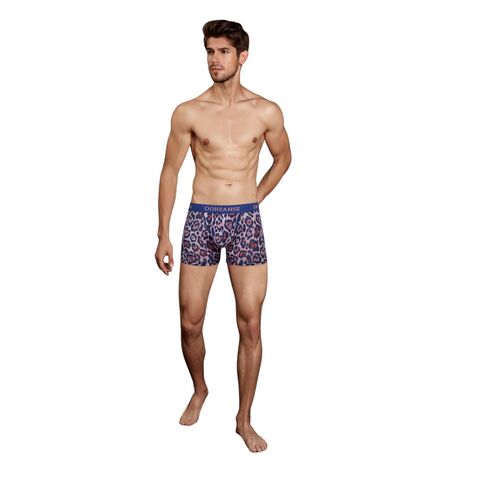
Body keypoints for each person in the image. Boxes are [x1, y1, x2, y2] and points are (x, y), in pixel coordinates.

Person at [154, 19, 291, 453]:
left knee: (250, 322)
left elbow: (284, 158)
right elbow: (170, 171)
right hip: (201, 218)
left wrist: (256, 197)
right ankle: (200, 388)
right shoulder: (189, 112)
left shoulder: (266, 111)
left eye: (223, 52)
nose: (215, 60)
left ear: (242, 56)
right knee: (189, 321)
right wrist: (162, 233)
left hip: (245, 220)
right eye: (210, 51)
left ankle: (243, 419)